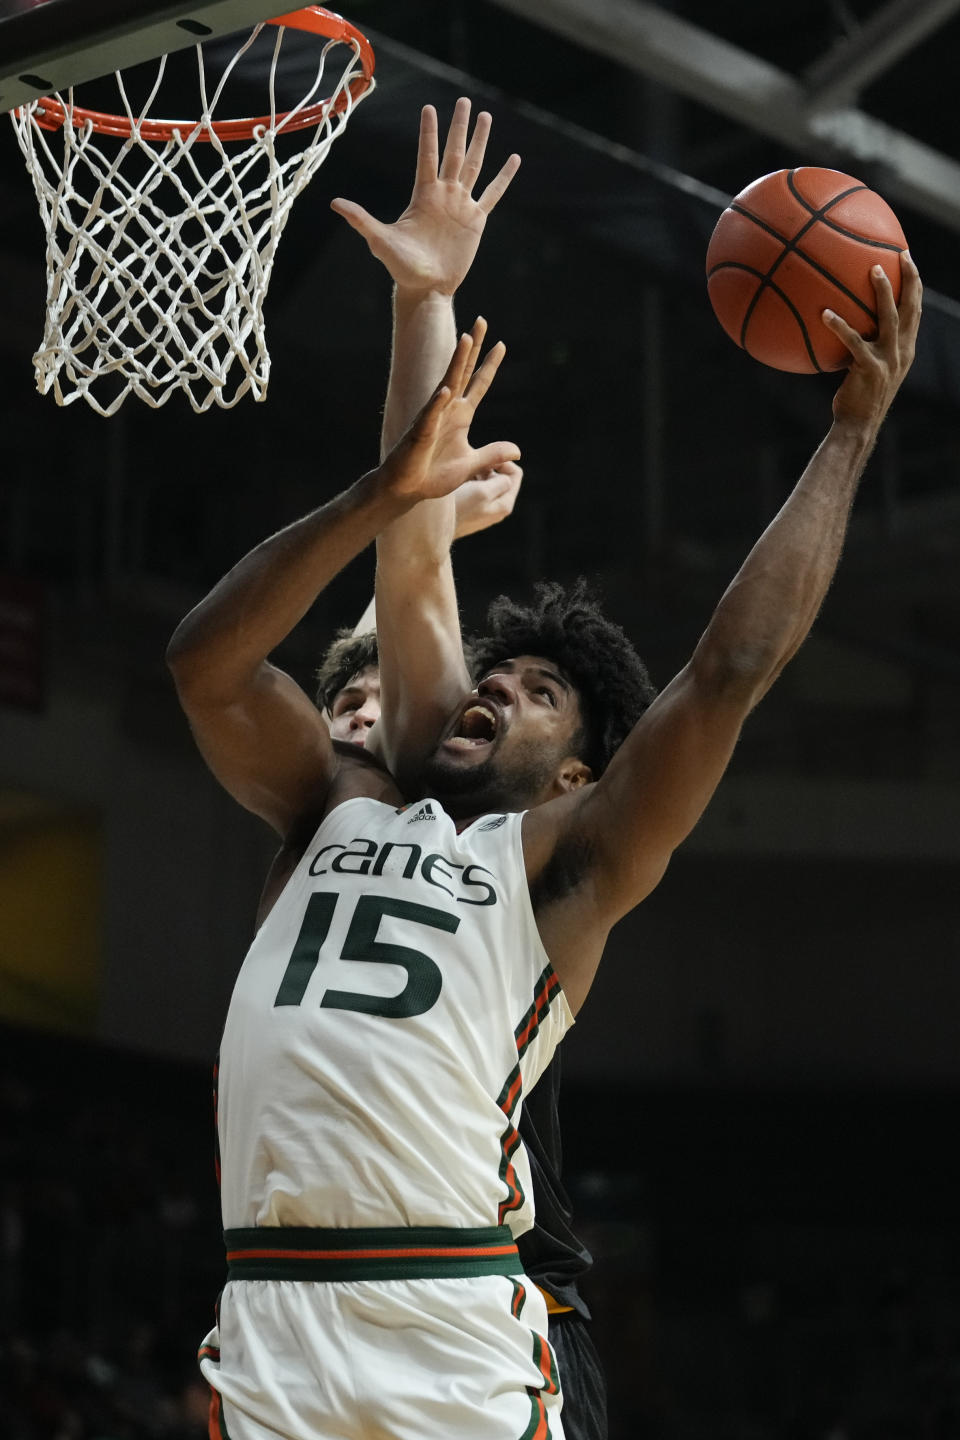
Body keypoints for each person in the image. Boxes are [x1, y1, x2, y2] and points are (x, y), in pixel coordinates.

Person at [168, 120, 921, 1440]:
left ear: (575, 768)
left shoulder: (560, 862)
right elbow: (219, 658)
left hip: (452, 1319)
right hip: (274, 1316)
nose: (490, 691)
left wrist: (849, 437)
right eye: (486, 676)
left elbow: (730, 670)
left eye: (533, 694)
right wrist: (417, 327)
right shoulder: (330, 799)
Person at [330, 99, 608, 1439]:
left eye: (533, 692)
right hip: (332, 1298)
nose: (369, 716)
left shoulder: (521, 841)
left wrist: (425, 306)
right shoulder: (343, 803)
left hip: (501, 1295)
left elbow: (414, 563)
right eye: (355, 702)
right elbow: (411, 562)